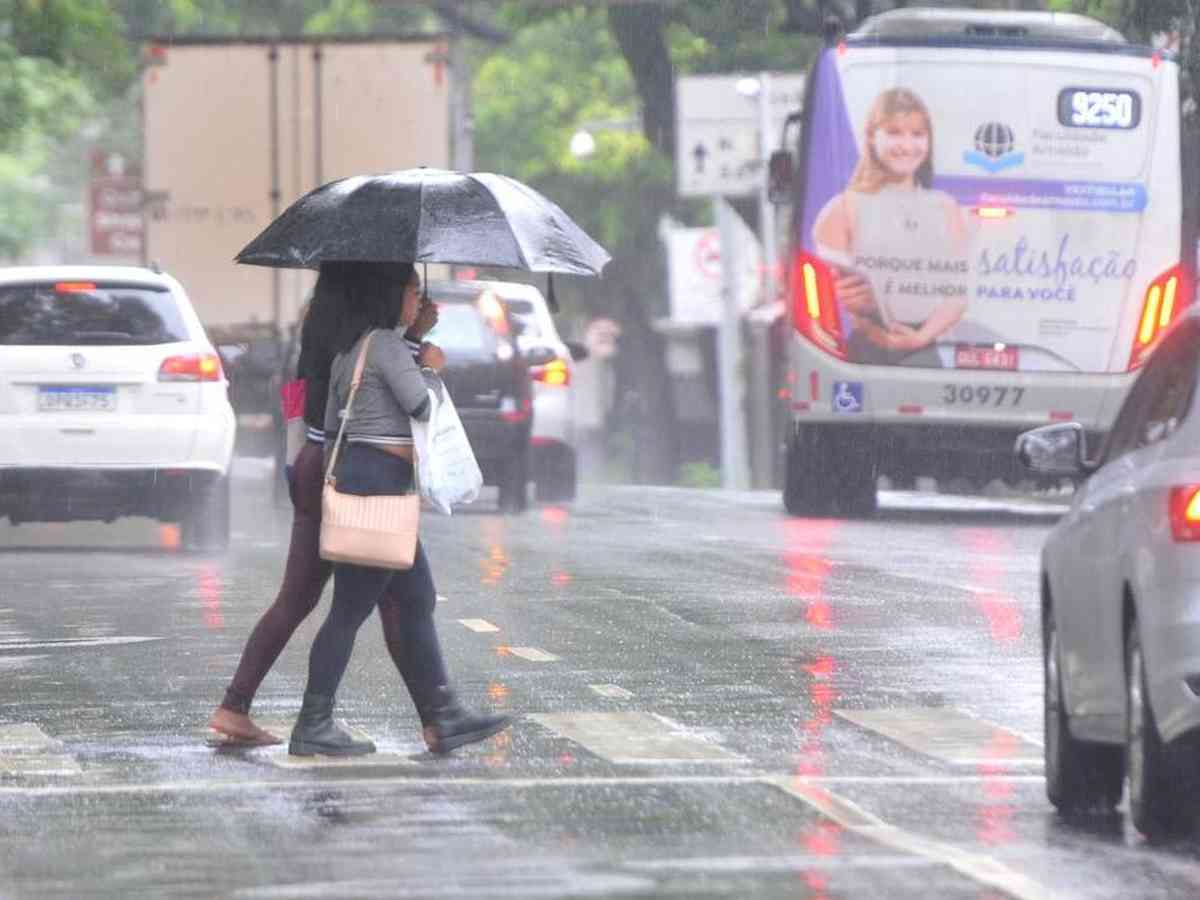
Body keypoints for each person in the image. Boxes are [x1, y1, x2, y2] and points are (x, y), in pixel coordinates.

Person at [207, 261, 439, 747]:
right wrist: (416, 342)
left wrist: (295, 455)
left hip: (315, 461)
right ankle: (434, 719)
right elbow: (386, 398)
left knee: (316, 597)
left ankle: (236, 705)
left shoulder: (322, 318)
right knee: (383, 602)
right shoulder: (367, 339)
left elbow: (294, 391)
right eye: (407, 287)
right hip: (345, 466)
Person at [288, 262, 512, 757]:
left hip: (366, 480)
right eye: (413, 290)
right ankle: (313, 720)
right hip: (379, 489)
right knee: (349, 610)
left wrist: (414, 342)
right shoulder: (386, 346)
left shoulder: (356, 347)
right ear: (391, 295)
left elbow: (329, 421)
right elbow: (420, 406)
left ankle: (442, 716)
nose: (418, 300)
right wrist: (430, 364)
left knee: (416, 599)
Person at [812, 87, 969, 365]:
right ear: (872, 138)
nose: (907, 145)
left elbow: (958, 293)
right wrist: (862, 314)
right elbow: (821, 300)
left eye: (917, 134)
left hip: (926, 354)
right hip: (863, 356)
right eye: (895, 132)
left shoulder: (946, 207)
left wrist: (920, 339)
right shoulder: (843, 209)